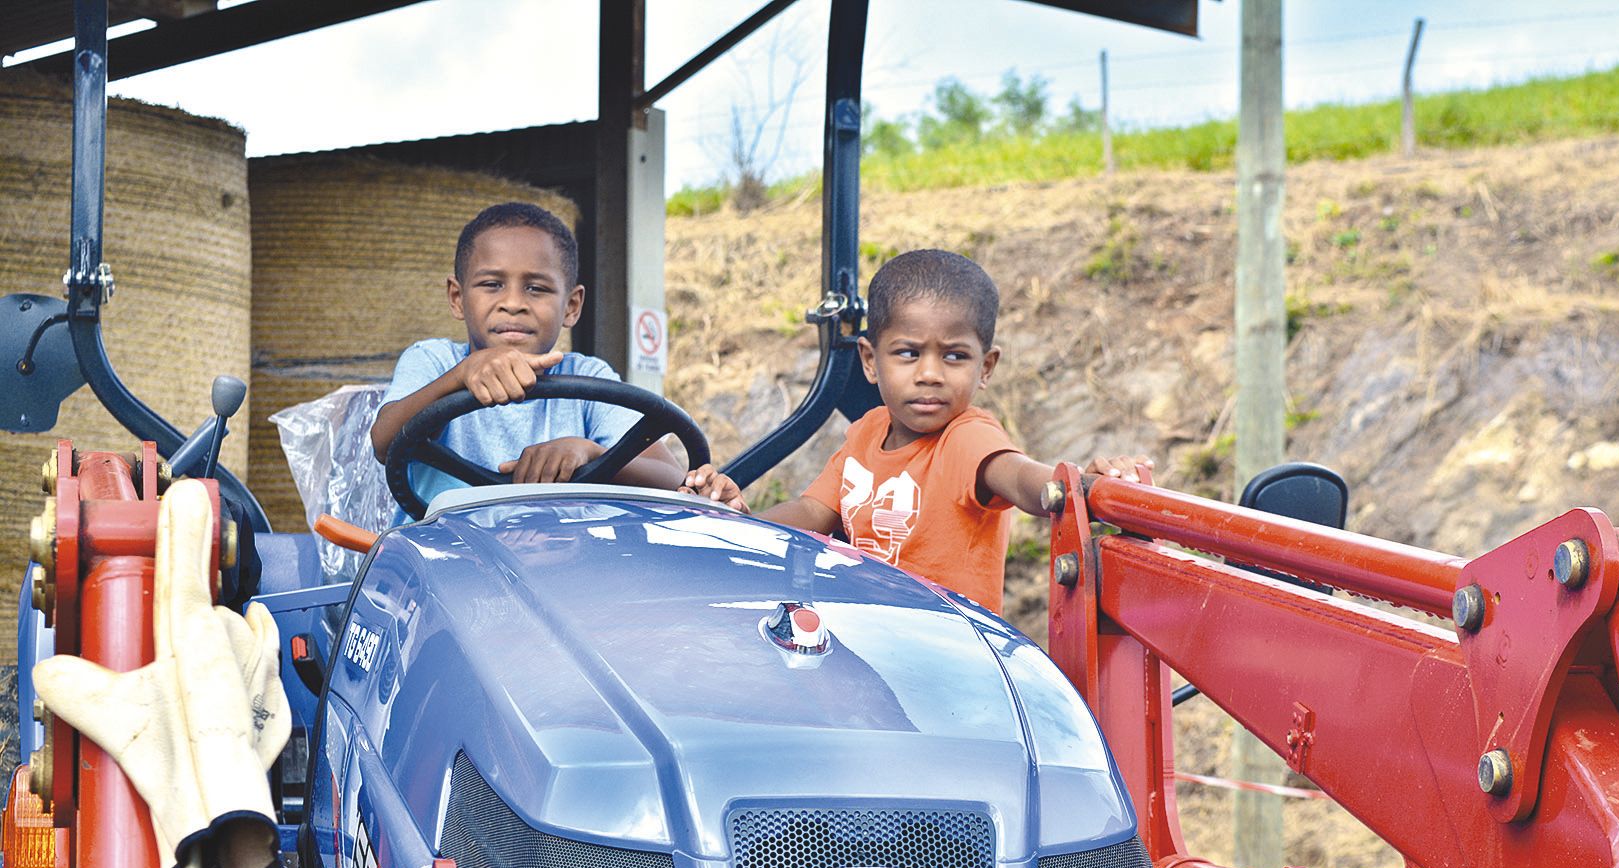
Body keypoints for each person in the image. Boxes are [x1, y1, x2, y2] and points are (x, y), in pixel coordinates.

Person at [682, 248, 1150, 613]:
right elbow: (812, 511)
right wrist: (738, 520)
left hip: (945, 654)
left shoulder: (967, 439)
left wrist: (1082, 485)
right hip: (869, 637)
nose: (930, 373)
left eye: (954, 356)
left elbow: (1028, 481)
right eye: (907, 353)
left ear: (985, 367)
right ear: (870, 360)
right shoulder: (866, 433)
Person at [371, 202, 684, 510]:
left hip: (562, 558)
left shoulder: (590, 378)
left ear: (572, 306)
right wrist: (459, 376)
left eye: (536, 288)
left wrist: (589, 451)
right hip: (441, 556)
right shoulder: (435, 361)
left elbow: (671, 478)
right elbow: (384, 442)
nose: (513, 303)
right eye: (492, 285)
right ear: (457, 298)